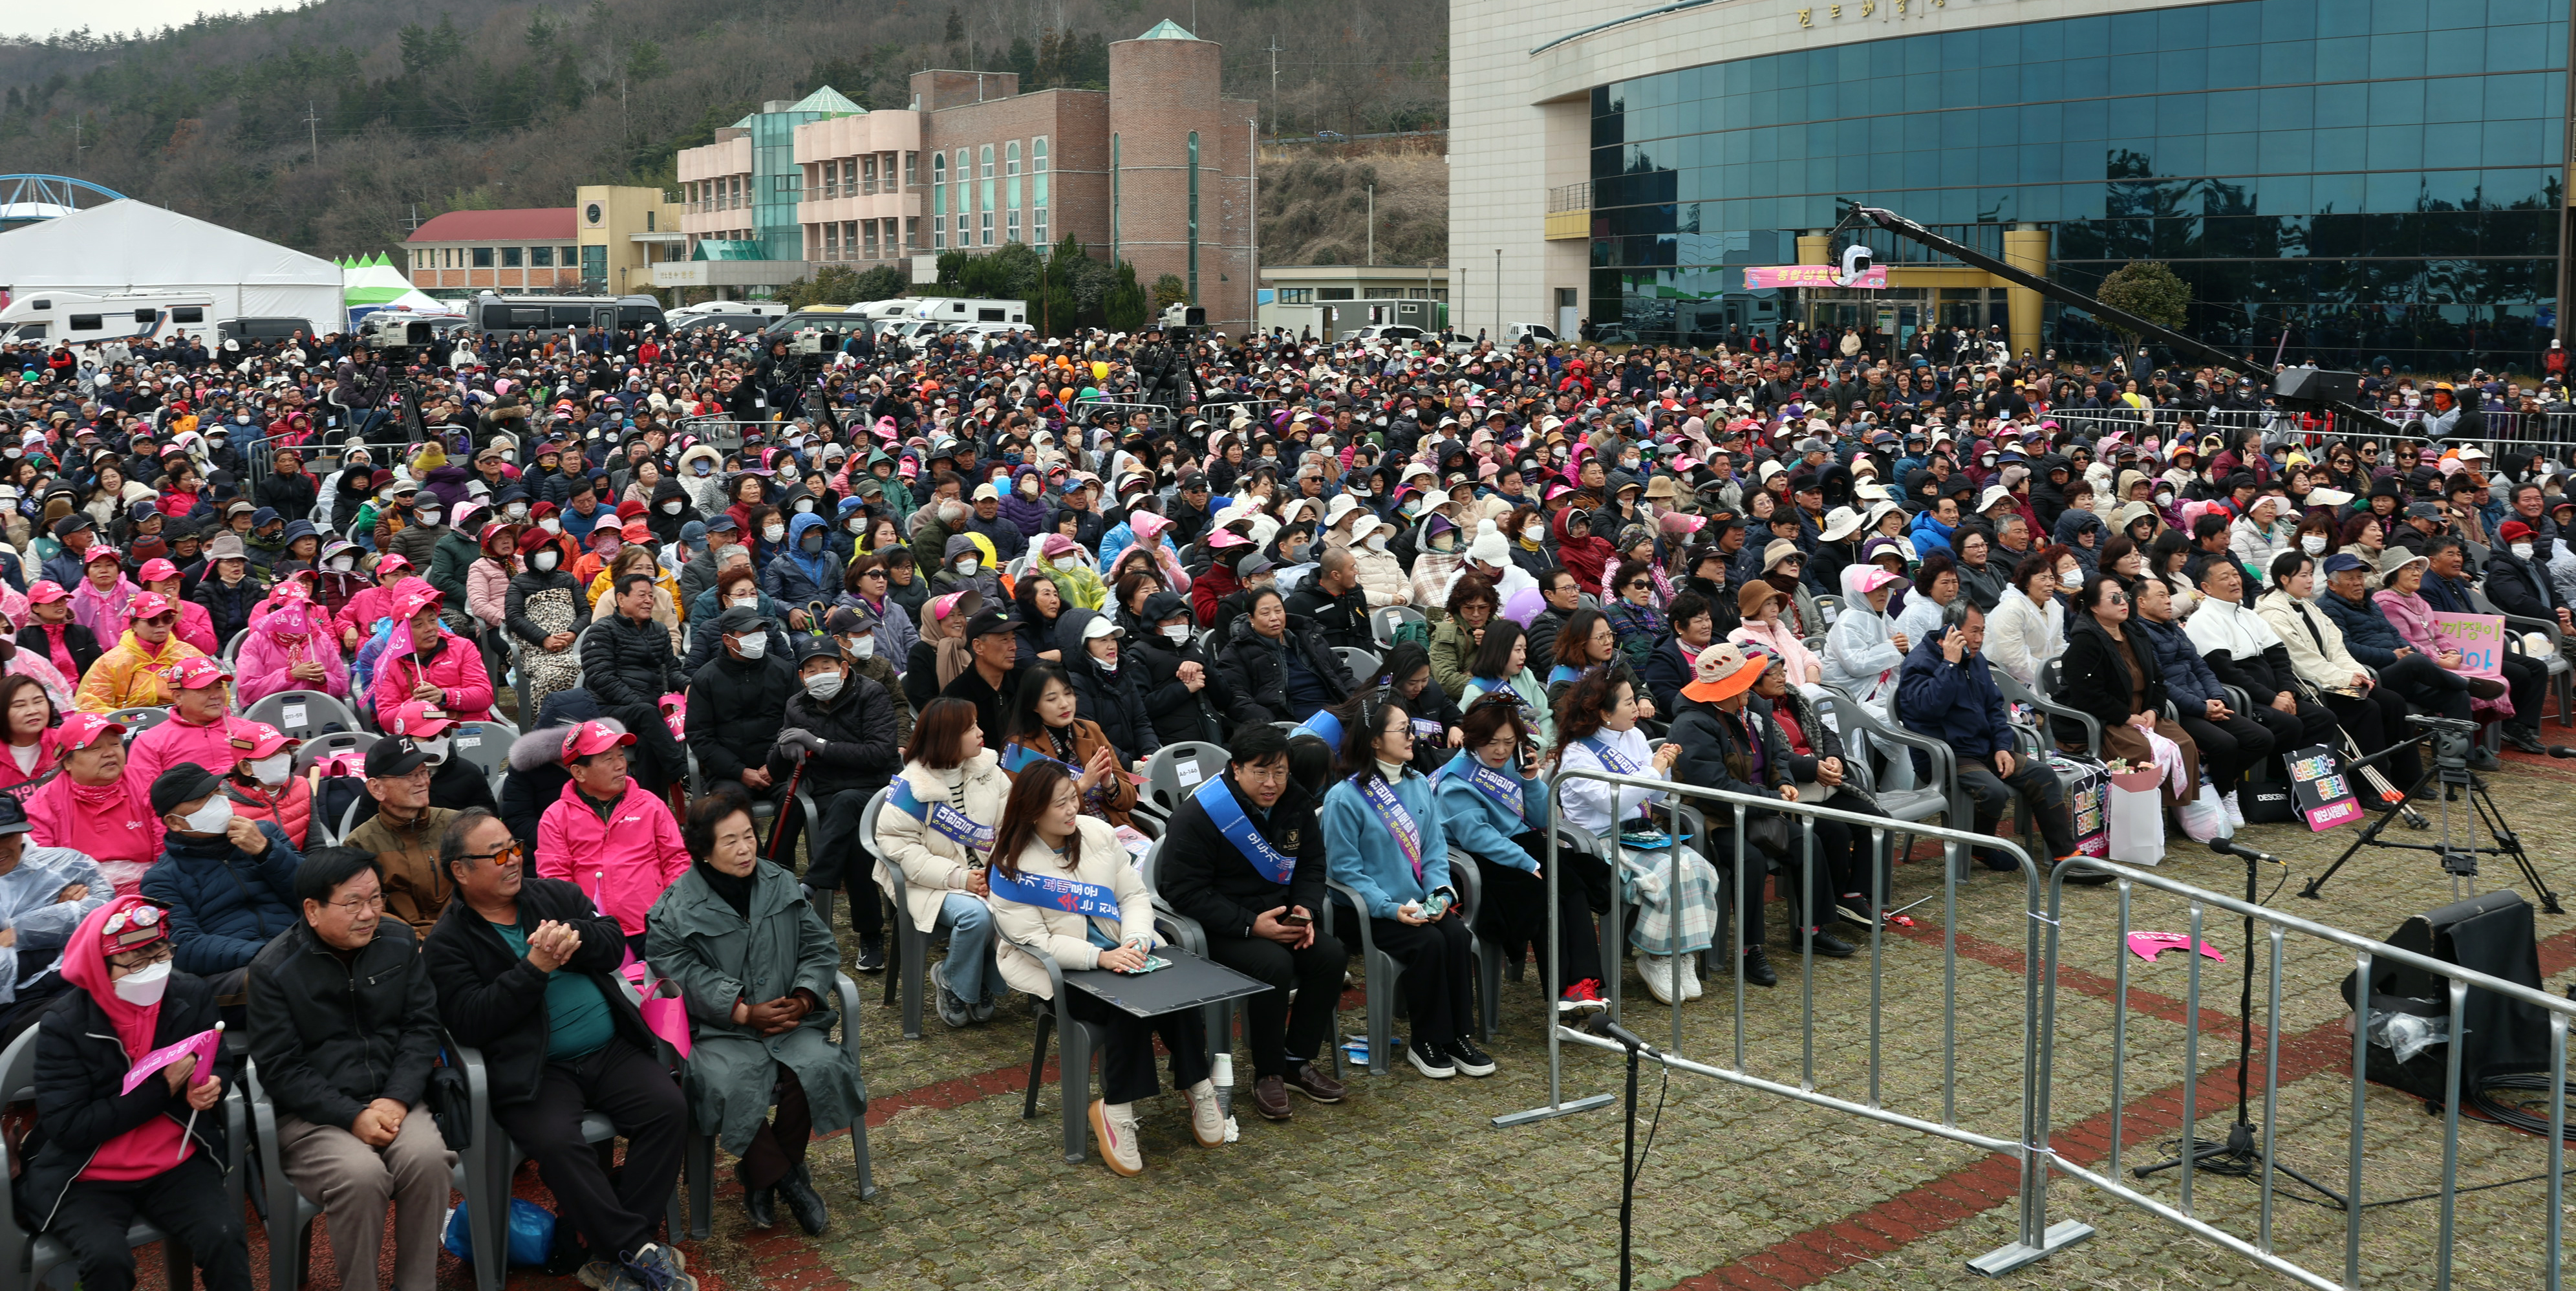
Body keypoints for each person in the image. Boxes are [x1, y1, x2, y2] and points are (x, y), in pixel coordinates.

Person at [424, 808, 694, 1291]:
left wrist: (579, 938)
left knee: (668, 1108)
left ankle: (613, 1253)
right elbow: (470, 1020)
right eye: (498, 854)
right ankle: (637, 1249)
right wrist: (534, 968)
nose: (513, 861)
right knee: (556, 1144)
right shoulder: (448, 942)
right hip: (535, 1069)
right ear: (461, 871)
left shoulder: (553, 894)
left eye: (515, 847)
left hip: (609, 1049)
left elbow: (613, 944)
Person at [987, 759, 1221, 1175]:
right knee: (1126, 1005)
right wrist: (1101, 958)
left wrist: (1136, 939)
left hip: (1124, 949)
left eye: (1073, 799)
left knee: (1178, 990)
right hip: (1064, 969)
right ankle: (1116, 1109)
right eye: (1059, 804)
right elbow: (1035, 943)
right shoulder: (1010, 864)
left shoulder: (1096, 833)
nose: (1071, 810)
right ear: (1031, 810)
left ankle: (1197, 1084)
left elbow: (1132, 897)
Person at [645, 788, 861, 1236]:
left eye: (749, 836)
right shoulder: (673, 909)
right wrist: (741, 1011)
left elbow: (818, 946)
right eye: (730, 841)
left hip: (787, 1019)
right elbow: (677, 974)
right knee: (725, 1083)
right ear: (703, 851)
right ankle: (787, 1183)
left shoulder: (779, 881)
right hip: (719, 1032)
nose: (745, 849)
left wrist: (803, 997)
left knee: (818, 1066)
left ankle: (760, 1176)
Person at [16, 895, 250, 1291]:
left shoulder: (188, 994)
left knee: (225, 1236)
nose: (154, 973)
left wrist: (212, 1086)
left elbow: (220, 1061)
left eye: (162, 955)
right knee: (107, 1260)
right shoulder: (65, 1024)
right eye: (136, 964)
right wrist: (164, 1089)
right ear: (99, 968)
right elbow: (67, 1126)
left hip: (177, 1158)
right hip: (87, 1173)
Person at [244, 847, 453, 1291]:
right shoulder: (273, 970)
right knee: (360, 1177)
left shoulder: (398, 943)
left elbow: (421, 1028)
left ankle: (417, 1285)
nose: (369, 913)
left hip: (394, 1098)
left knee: (429, 1159)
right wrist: (351, 1116)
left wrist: (397, 1097)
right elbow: (281, 1067)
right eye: (353, 903)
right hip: (311, 1117)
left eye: (376, 899)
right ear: (312, 910)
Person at [1151, 722, 1352, 1118]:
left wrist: (1306, 910)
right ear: (1236, 768)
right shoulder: (1202, 812)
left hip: (1282, 915)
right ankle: (1268, 1072)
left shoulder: (1294, 800)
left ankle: (1297, 1060)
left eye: (1280, 771)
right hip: (1221, 924)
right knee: (1273, 964)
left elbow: (1312, 864)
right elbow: (1182, 891)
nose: (1271, 783)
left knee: (1331, 955)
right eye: (1260, 772)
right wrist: (1249, 924)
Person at [1324, 692, 1494, 1079]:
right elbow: (1346, 872)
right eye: (1403, 730)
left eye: (1411, 729)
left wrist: (1440, 891)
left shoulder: (1418, 784)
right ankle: (1426, 1041)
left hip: (1418, 902)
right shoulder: (1345, 798)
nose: (1412, 737)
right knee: (1430, 943)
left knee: (1454, 934)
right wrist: (1389, 907)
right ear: (1374, 740)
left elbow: (1434, 849)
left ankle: (1457, 1037)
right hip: (1367, 910)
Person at [1433, 692, 1606, 1014]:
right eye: (1491, 742)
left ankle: (1583, 983)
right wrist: (1526, 863)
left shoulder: (1514, 763)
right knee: (1539, 893)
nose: (1500, 751)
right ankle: (1559, 990)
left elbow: (1541, 820)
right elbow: (1478, 837)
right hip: (1477, 860)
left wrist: (1531, 781)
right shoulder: (1457, 780)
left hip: (1517, 846)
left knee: (1573, 881)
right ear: (1473, 739)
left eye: (1509, 742)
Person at [1896, 600, 2079, 869]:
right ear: (1951, 631)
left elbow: (1994, 707)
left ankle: (2066, 856)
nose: (1980, 639)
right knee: (1992, 791)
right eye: (1974, 632)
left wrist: (2002, 746)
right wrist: (1949, 665)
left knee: (2044, 775)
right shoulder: (1919, 662)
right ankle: (1981, 847)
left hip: (1984, 748)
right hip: (1946, 755)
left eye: (1983, 631)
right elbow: (1928, 708)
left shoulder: (1976, 659)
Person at [872, 698, 1011, 1028]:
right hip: (928, 884)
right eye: (970, 728)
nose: (981, 733)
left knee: (1023, 903)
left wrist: (999, 870)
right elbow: (904, 853)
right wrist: (961, 879)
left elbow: (1011, 827)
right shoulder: (912, 787)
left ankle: (975, 982)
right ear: (947, 737)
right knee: (977, 915)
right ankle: (953, 981)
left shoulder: (989, 771)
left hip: (988, 874)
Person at [768, 635, 901, 970]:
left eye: (825, 667)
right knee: (851, 831)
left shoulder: (871, 694)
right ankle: (870, 934)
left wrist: (819, 744)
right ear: (801, 677)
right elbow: (775, 767)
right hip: (828, 795)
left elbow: (879, 753)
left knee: (850, 813)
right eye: (810, 670)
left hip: (876, 789)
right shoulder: (797, 706)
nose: (819, 675)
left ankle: (812, 885)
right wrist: (784, 751)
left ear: (842, 668)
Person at [2257, 552, 2426, 792]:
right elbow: (2302, 659)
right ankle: (2371, 788)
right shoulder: (2273, 613)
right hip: (2311, 685)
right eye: (2303, 575)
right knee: (2367, 709)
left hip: (2334, 678)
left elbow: (2337, 647)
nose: (2310, 581)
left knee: (2393, 701)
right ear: (2284, 579)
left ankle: (2409, 778)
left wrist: (2356, 673)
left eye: (2309, 574)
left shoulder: (2309, 606)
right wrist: (2344, 677)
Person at [139, 762, 304, 1003]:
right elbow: (184, 945)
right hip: (232, 970)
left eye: (217, 792)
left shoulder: (265, 834)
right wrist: (266, 954)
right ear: (174, 822)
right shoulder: (162, 878)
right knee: (283, 980)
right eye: (202, 799)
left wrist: (266, 852)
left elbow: (313, 891)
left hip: (298, 945)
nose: (218, 801)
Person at [535, 721, 689, 957]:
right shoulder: (556, 817)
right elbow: (555, 881)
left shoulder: (650, 804)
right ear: (579, 772)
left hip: (655, 926)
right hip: (592, 934)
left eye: (621, 755)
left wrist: (670, 911)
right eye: (608, 759)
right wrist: (582, 925)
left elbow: (676, 859)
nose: (621, 765)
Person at [2055, 573, 2203, 801]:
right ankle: (2140, 809)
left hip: (2143, 713)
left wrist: (2154, 708)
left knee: (2184, 742)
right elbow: (2088, 695)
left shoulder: (2135, 632)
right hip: (2107, 719)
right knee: (2141, 751)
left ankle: (2181, 808)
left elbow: (2158, 678)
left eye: (2124, 596)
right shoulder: (2085, 642)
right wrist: (2126, 716)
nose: (2123, 601)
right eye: (2114, 598)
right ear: (2094, 607)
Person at [0, 794, 111, 1039]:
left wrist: (20, 931)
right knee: (68, 1022)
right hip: (14, 1005)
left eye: (5, 836)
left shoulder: (63, 863)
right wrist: (62, 922)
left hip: (81, 976)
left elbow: (105, 910)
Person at [25, 712, 162, 894]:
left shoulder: (147, 784)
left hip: (153, 890)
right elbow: (42, 871)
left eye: (115, 744)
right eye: (95, 748)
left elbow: (167, 849)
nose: (110, 753)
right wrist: (63, 894)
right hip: (84, 902)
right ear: (68, 763)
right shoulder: (42, 805)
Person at [687, 603, 800, 820]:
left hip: (778, 768)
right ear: (727, 640)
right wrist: (740, 772)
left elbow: (799, 723)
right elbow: (700, 737)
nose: (757, 637)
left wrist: (775, 764)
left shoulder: (784, 671)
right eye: (748, 633)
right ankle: (753, 855)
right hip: (729, 775)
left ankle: (778, 856)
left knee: (796, 803)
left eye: (760, 631)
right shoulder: (705, 679)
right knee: (730, 812)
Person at [578, 572, 688, 794]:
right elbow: (601, 678)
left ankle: (651, 807)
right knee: (647, 713)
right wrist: (638, 703)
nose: (649, 600)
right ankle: (683, 774)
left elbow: (671, 669)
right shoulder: (602, 630)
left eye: (651, 595)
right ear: (621, 599)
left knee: (649, 743)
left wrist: (689, 685)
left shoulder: (658, 630)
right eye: (642, 595)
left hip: (649, 714)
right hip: (609, 709)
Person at [341, 734, 460, 935]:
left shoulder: (458, 824)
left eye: (424, 772)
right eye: (409, 775)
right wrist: (415, 942)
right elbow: (367, 912)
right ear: (376, 788)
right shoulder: (360, 844)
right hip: (403, 945)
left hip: (463, 934)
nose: (422, 782)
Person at [1002, 664, 1141, 829]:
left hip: (1113, 828)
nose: (1064, 704)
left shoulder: (1090, 730)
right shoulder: (1020, 749)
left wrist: (1109, 783)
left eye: (1068, 693)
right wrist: (1083, 785)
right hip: (1061, 837)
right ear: (1034, 706)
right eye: (1052, 699)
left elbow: (1129, 800)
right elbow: (1031, 811)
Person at [1216, 585, 1359, 726]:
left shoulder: (1309, 637)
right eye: (1265, 613)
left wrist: (1358, 701)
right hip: (1289, 723)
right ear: (1251, 619)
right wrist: (1273, 725)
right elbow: (1237, 698)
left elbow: (1341, 673)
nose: (1274, 618)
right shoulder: (1236, 652)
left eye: (1278, 611)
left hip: (1335, 713)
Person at [125, 655, 255, 788]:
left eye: (219, 687)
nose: (215, 695)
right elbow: (143, 797)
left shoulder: (249, 730)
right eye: (205, 689)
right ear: (178, 697)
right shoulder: (150, 743)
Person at [74, 591, 213, 713]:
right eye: (152, 620)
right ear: (134, 625)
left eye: (167, 619)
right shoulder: (111, 662)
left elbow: (214, 695)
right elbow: (92, 706)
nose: (160, 625)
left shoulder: (189, 654)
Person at [939, 607, 1028, 752]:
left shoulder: (1025, 681)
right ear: (978, 646)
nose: (1014, 647)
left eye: (1014, 639)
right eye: (1004, 639)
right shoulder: (956, 697)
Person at [1823, 567, 1910, 711]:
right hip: (1855, 696)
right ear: (1859, 594)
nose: (1883, 593)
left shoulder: (1886, 618)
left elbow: (1900, 653)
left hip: (1884, 692)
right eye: (1875, 588)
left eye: (1885, 588)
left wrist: (1905, 650)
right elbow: (1857, 665)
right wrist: (1893, 647)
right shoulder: (1847, 621)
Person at [217, 721, 312, 849]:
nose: (280, 759)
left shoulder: (302, 786)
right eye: (270, 755)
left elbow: (315, 844)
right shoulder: (225, 806)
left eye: (283, 751)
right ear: (246, 767)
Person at [1982, 555, 2064, 689]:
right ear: (2026, 583)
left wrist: (2062, 672)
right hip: (2013, 682)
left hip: (2049, 675)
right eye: (2043, 578)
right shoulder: (2011, 610)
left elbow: (2059, 646)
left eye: (2052, 578)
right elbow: (2013, 660)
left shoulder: (2055, 606)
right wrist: (2050, 678)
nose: (2049, 583)